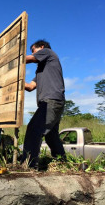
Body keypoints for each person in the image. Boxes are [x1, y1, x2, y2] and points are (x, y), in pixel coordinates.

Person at [21, 40, 66, 169]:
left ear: (41, 47)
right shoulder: (41, 70)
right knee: (51, 135)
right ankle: (62, 161)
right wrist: (16, 80)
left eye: (33, 50)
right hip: (54, 101)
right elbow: (30, 87)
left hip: (51, 100)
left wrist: (9, 60)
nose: (33, 53)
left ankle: (29, 165)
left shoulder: (48, 52)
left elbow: (28, 59)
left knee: (34, 129)